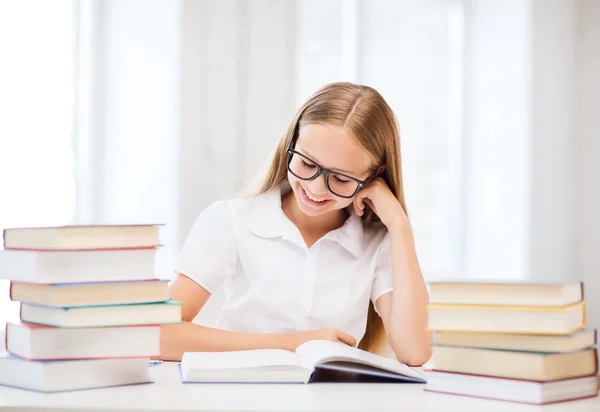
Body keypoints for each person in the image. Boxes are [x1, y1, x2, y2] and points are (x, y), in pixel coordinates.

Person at [161, 82, 432, 366]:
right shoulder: (231, 221)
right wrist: (292, 345)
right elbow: (158, 335)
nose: (316, 188)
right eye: (307, 164)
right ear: (291, 144)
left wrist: (399, 225)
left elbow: (414, 352)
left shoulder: (377, 243)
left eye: (340, 179)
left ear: (374, 177)